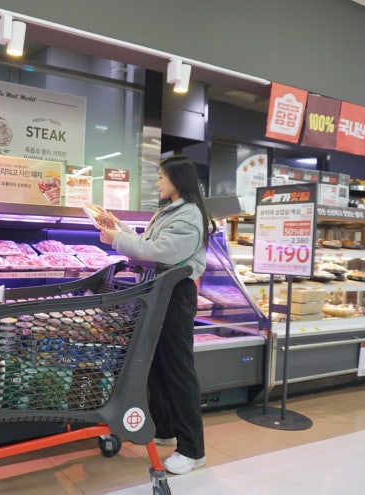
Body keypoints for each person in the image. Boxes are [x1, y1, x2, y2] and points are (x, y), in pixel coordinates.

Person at [97, 154, 212, 475]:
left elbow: (162, 252)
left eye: (162, 176)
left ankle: (193, 450)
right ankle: (165, 429)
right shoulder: (170, 210)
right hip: (160, 291)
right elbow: (151, 242)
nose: (158, 181)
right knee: (158, 365)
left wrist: (118, 240)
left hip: (176, 293)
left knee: (178, 369)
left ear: (178, 179)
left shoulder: (190, 214)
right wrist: (119, 227)